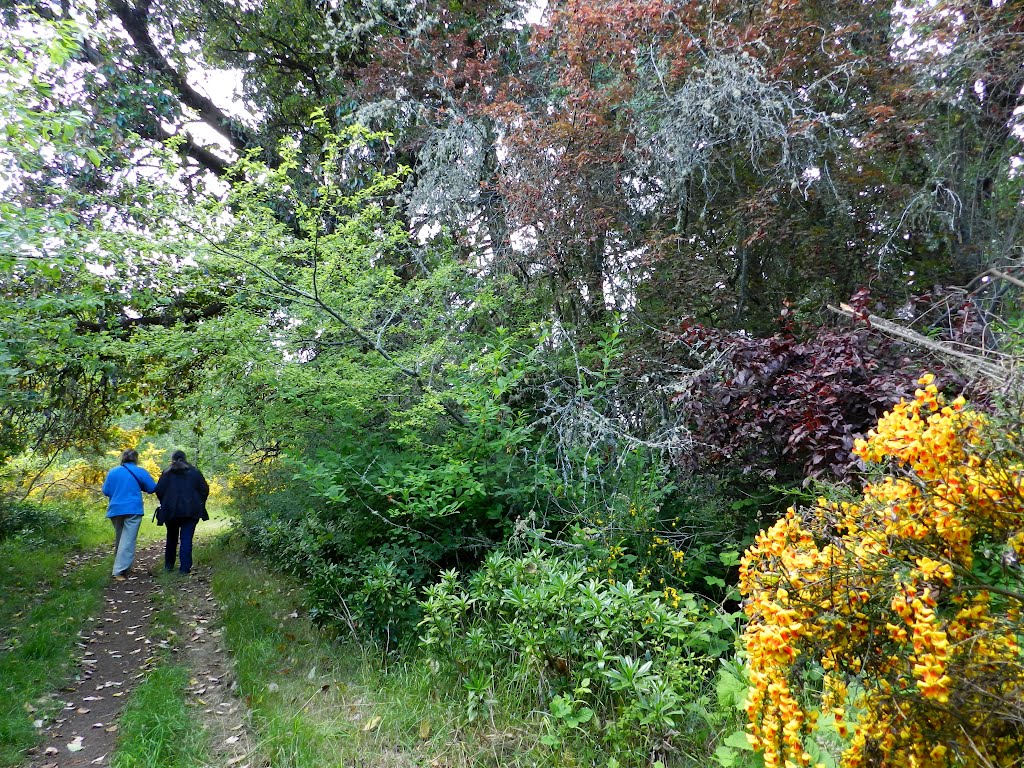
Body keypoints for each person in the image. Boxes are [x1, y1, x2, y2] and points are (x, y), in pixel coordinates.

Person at [102, 448, 157, 580]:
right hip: (133, 509)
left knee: (120, 539)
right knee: (127, 541)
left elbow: (106, 491)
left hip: (115, 509)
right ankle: (119, 571)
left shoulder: (113, 472)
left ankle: (123, 568)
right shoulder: (140, 471)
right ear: (136, 458)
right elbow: (152, 488)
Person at [155, 450, 210, 575]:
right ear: (185, 458)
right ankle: (184, 569)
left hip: (170, 511)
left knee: (171, 538)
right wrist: (199, 502)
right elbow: (204, 489)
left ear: (172, 459)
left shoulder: (166, 473)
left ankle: (168, 566)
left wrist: (165, 502)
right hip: (191, 511)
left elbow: (159, 490)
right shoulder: (194, 472)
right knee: (186, 539)